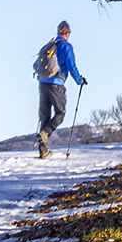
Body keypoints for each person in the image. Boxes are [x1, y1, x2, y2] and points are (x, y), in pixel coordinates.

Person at [33, 21, 87, 156]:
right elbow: (71, 66)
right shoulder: (66, 46)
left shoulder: (48, 46)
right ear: (67, 34)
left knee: (44, 116)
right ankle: (45, 133)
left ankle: (43, 150)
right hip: (57, 84)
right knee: (60, 113)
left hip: (42, 84)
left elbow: (35, 65)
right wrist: (79, 81)